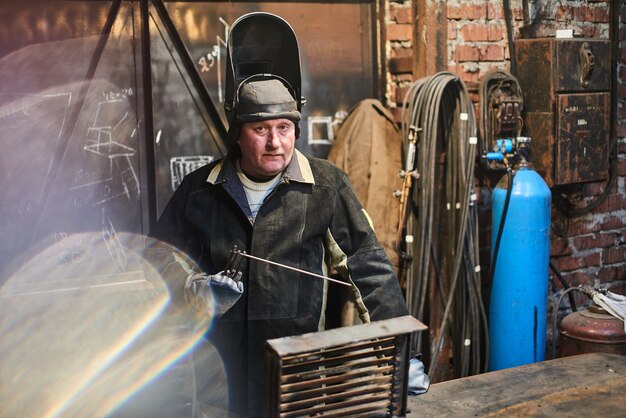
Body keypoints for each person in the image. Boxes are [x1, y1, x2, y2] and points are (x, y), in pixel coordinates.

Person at [146, 73, 408, 416]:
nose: (275, 142)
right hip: (219, 385)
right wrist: (198, 290)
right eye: (260, 129)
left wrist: (403, 357)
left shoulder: (325, 187)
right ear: (238, 135)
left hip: (297, 384)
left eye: (284, 128)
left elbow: (368, 266)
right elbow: (156, 262)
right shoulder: (200, 191)